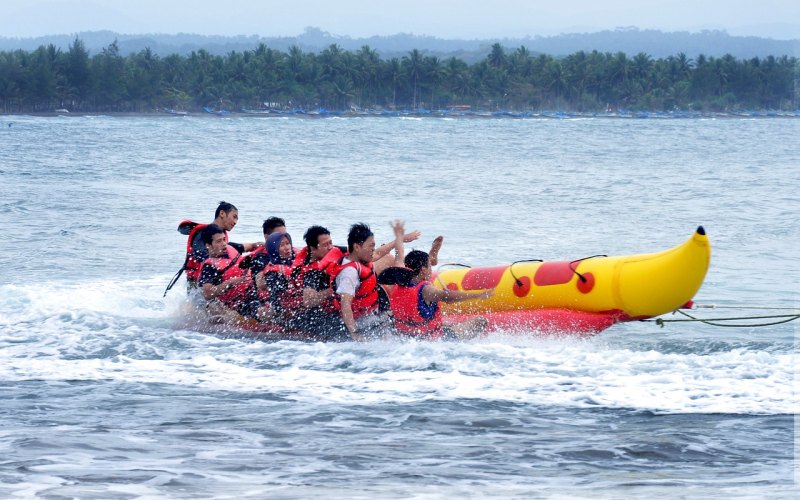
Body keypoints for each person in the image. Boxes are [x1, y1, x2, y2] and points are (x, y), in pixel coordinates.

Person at [390, 249, 494, 340]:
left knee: (448, 323)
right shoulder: (426, 290)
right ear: (423, 270)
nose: (431, 270)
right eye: (430, 266)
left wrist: (399, 236)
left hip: (406, 336)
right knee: (481, 320)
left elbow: (399, 257)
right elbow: (447, 297)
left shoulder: (397, 284)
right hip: (435, 339)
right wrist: (478, 295)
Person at [331, 221, 406, 341]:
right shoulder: (349, 272)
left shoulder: (361, 259)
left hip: (372, 314)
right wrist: (355, 333)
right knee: (396, 332)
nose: (373, 249)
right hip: (362, 321)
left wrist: (399, 239)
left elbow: (379, 252)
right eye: (371, 246)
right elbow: (345, 305)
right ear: (357, 247)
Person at [285, 225, 349, 341]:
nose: (330, 247)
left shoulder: (333, 251)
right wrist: (334, 289)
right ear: (313, 249)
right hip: (311, 315)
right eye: (325, 245)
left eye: (331, 243)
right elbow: (308, 301)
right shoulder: (311, 272)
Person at [197, 224, 272, 323]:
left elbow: (253, 246)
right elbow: (207, 293)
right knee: (264, 313)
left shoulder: (231, 247)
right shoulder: (209, 267)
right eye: (219, 241)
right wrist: (231, 282)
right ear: (208, 245)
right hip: (241, 302)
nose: (224, 244)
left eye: (224, 239)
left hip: (255, 289)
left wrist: (268, 245)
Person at [183, 201, 262, 289]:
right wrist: (228, 266)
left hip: (216, 280)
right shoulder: (203, 233)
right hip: (197, 284)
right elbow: (200, 254)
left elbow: (235, 247)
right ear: (222, 213)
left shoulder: (222, 238)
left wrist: (256, 245)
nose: (235, 222)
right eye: (234, 217)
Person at [252, 232, 296, 321]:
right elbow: (275, 299)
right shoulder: (273, 273)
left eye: (288, 243)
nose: (287, 247)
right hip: (273, 308)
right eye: (281, 245)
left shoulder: (294, 261)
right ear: (274, 249)